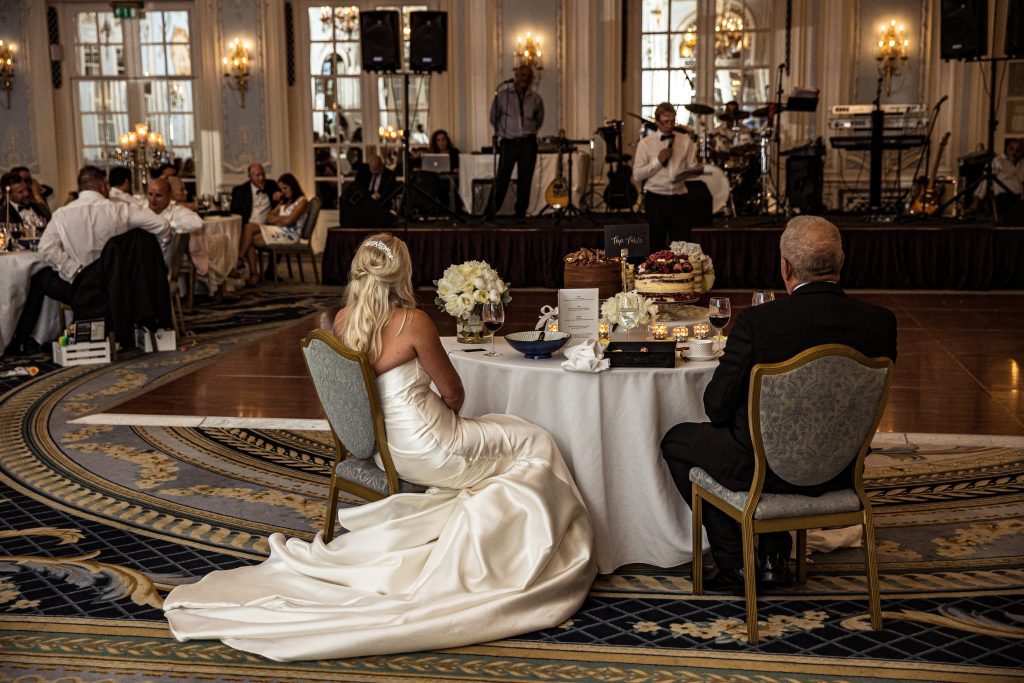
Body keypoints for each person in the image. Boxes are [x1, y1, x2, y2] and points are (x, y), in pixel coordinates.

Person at [163, 233, 596, 660]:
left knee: (508, 433)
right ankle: (539, 556)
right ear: (403, 273)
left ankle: (486, 537)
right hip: (432, 449)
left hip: (383, 449)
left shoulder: (342, 319)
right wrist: (443, 413)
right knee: (535, 439)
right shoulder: (413, 322)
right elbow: (454, 393)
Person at [660, 216, 897, 593]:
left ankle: (735, 563)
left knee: (677, 442)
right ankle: (773, 556)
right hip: (840, 469)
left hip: (763, 474)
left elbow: (715, 407)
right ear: (842, 260)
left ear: (785, 267)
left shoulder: (759, 323)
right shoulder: (881, 323)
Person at [5, 165, 169, 356]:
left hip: (80, 287)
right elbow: (163, 226)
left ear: (80, 188)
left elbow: (45, 248)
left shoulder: (62, 214)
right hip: (118, 287)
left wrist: (73, 271)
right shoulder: (120, 210)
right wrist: (156, 258)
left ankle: (29, 339)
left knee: (38, 277)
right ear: (103, 186)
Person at [633, 101, 702, 249]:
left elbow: (691, 168)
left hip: (680, 199)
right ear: (657, 122)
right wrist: (658, 161)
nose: (669, 125)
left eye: (672, 121)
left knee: (683, 246)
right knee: (655, 245)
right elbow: (637, 175)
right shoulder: (646, 143)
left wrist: (696, 170)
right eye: (665, 122)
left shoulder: (685, 140)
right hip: (656, 199)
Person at [486, 64, 544, 221]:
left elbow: (538, 120)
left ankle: (520, 214)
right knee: (502, 177)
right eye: (522, 75)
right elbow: (494, 118)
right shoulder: (502, 95)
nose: (525, 78)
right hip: (509, 142)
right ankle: (490, 213)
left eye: (528, 76)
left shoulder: (536, 99)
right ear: (516, 76)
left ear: (531, 79)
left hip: (528, 143)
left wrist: (526, 131)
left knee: (525, 179)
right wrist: (506, 132)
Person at [237, 173, 309, 285]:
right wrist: (283, 219)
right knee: (248, 231)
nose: (283, 191)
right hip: (278, 230)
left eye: (285, 188)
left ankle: (242, 262)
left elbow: (290, 221)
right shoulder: (284, 201)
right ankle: (252, 273)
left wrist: (280, 219)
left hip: (290, 235)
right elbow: (269, 217)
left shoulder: (302, 201)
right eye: (281, 189)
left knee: (248, 234)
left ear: (293, 186)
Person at [146, 176, 203, 265]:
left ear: (169, 196)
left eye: (158, 195)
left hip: (159, 263)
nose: (153, 200)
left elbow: (197, 222)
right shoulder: (141, 210)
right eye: (150, 194)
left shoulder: (176, 211)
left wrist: (167, 225)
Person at [971, 138, 1023, 218]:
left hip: (1019, 199)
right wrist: (976, 202)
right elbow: (985, 181)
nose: (1014, 153)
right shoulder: (997, 161)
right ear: (1007, 149)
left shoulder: (1022, 164)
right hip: (1002, 198)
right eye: (1011, 149)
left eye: (1018, 150)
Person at [1, 171, 49, 236]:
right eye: (20, 192)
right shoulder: (3, 215)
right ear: (8, 195)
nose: (26, 194)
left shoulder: (41, 207)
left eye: (26, 189)